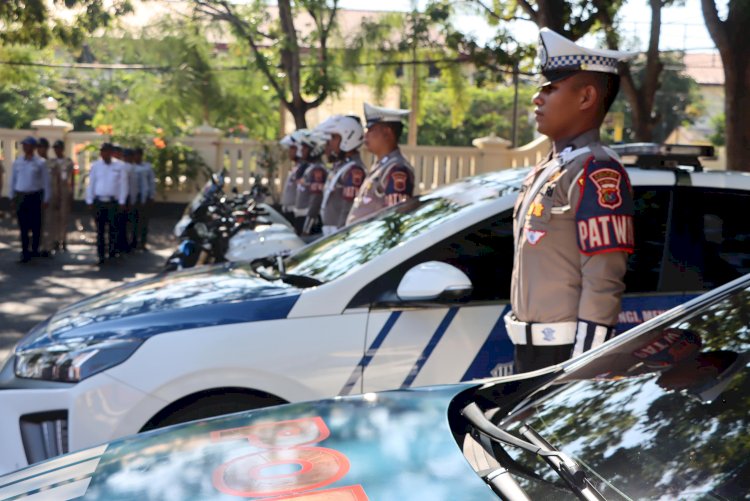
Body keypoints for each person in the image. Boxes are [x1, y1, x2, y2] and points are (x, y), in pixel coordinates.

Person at [505, 28, 636, 373]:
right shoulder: (550, 169)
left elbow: (603, 278)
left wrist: (583, 369)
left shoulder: (596, 169)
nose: (538, 98)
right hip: (528, 350)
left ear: (586, 97)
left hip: (564, 355)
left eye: (551, 88)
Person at [347, 103, 415, 224]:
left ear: (387, 133)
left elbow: (395, 217)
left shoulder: (397, 169)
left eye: (371, 129)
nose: (366, 135)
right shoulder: (382, 165)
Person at [318, 115, 367, 235]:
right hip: (329, 232)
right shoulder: (343, 167)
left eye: (334, 137)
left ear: (348, 138)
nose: (330, 143)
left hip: (338, 234)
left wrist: (340, 236)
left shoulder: (354, 170)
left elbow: (348, 209)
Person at [85, 143, 128, 265]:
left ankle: (112, 253)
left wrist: (122, 201)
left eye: (107, 151)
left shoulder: (120, 166)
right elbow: (91, 183)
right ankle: (101, 256)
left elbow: (123, 185)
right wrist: (89, 199)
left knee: (113, 229)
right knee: (100, 230)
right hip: (99, 201)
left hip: (113, 202)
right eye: (103, 151)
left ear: (111, 152)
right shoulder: (96, 166)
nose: (105, 154)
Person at [9, 136, 50, 263]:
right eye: (24, 145)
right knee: (23, 226)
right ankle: (25, 251)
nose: (25, 148)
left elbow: (46, 182)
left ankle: (34, 250)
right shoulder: (18, 162)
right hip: (21, 196)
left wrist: (46, 198)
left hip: (35, 196)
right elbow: (13, 180)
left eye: (28, 145)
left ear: (33, 147)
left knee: (36, 225)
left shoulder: (40, 162)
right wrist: (11, 196)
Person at [294, 130, 329, 236]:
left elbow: (316, 201)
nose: (301, 151)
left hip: (309, 222)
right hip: (302, 219)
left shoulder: (317, 170)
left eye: (305, 148)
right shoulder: (310, 168)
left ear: (314, 149)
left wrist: (307, 228)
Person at [50, 140, 75, 251]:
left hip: (65, 190)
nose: (56, 150)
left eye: (58, 148)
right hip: (54, 190)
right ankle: (55, 239)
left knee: (63, 217)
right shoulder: (51, 162)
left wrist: (71, 192)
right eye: (55, 148)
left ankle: (63, 239)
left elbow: (72, 178)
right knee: (54, 217)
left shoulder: (68, 162)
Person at [279, 129, 307, 224]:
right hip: (288, 211)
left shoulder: (303, 168)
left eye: (292, 148)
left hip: (295, 213)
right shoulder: (297, 166)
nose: (289, 151)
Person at [37, 138, 57, 256]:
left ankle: (48, 247)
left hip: (49, 195)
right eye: (39, 147)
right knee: (35, 222)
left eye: (43, 147)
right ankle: (36, 246)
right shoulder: (34, 162)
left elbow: (56, 181)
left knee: (49, 222)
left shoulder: (52, 163)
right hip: (35, 195)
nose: (41, 150)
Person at [133, 147, 155, 250]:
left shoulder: (147, 167)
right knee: (133, 221)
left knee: (144, 221)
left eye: (139, 155)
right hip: (133, 198)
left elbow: (151, 183)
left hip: (144, 198)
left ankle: (143, 242)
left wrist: (151, 196)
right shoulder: (130, 167)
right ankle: (133, 242)